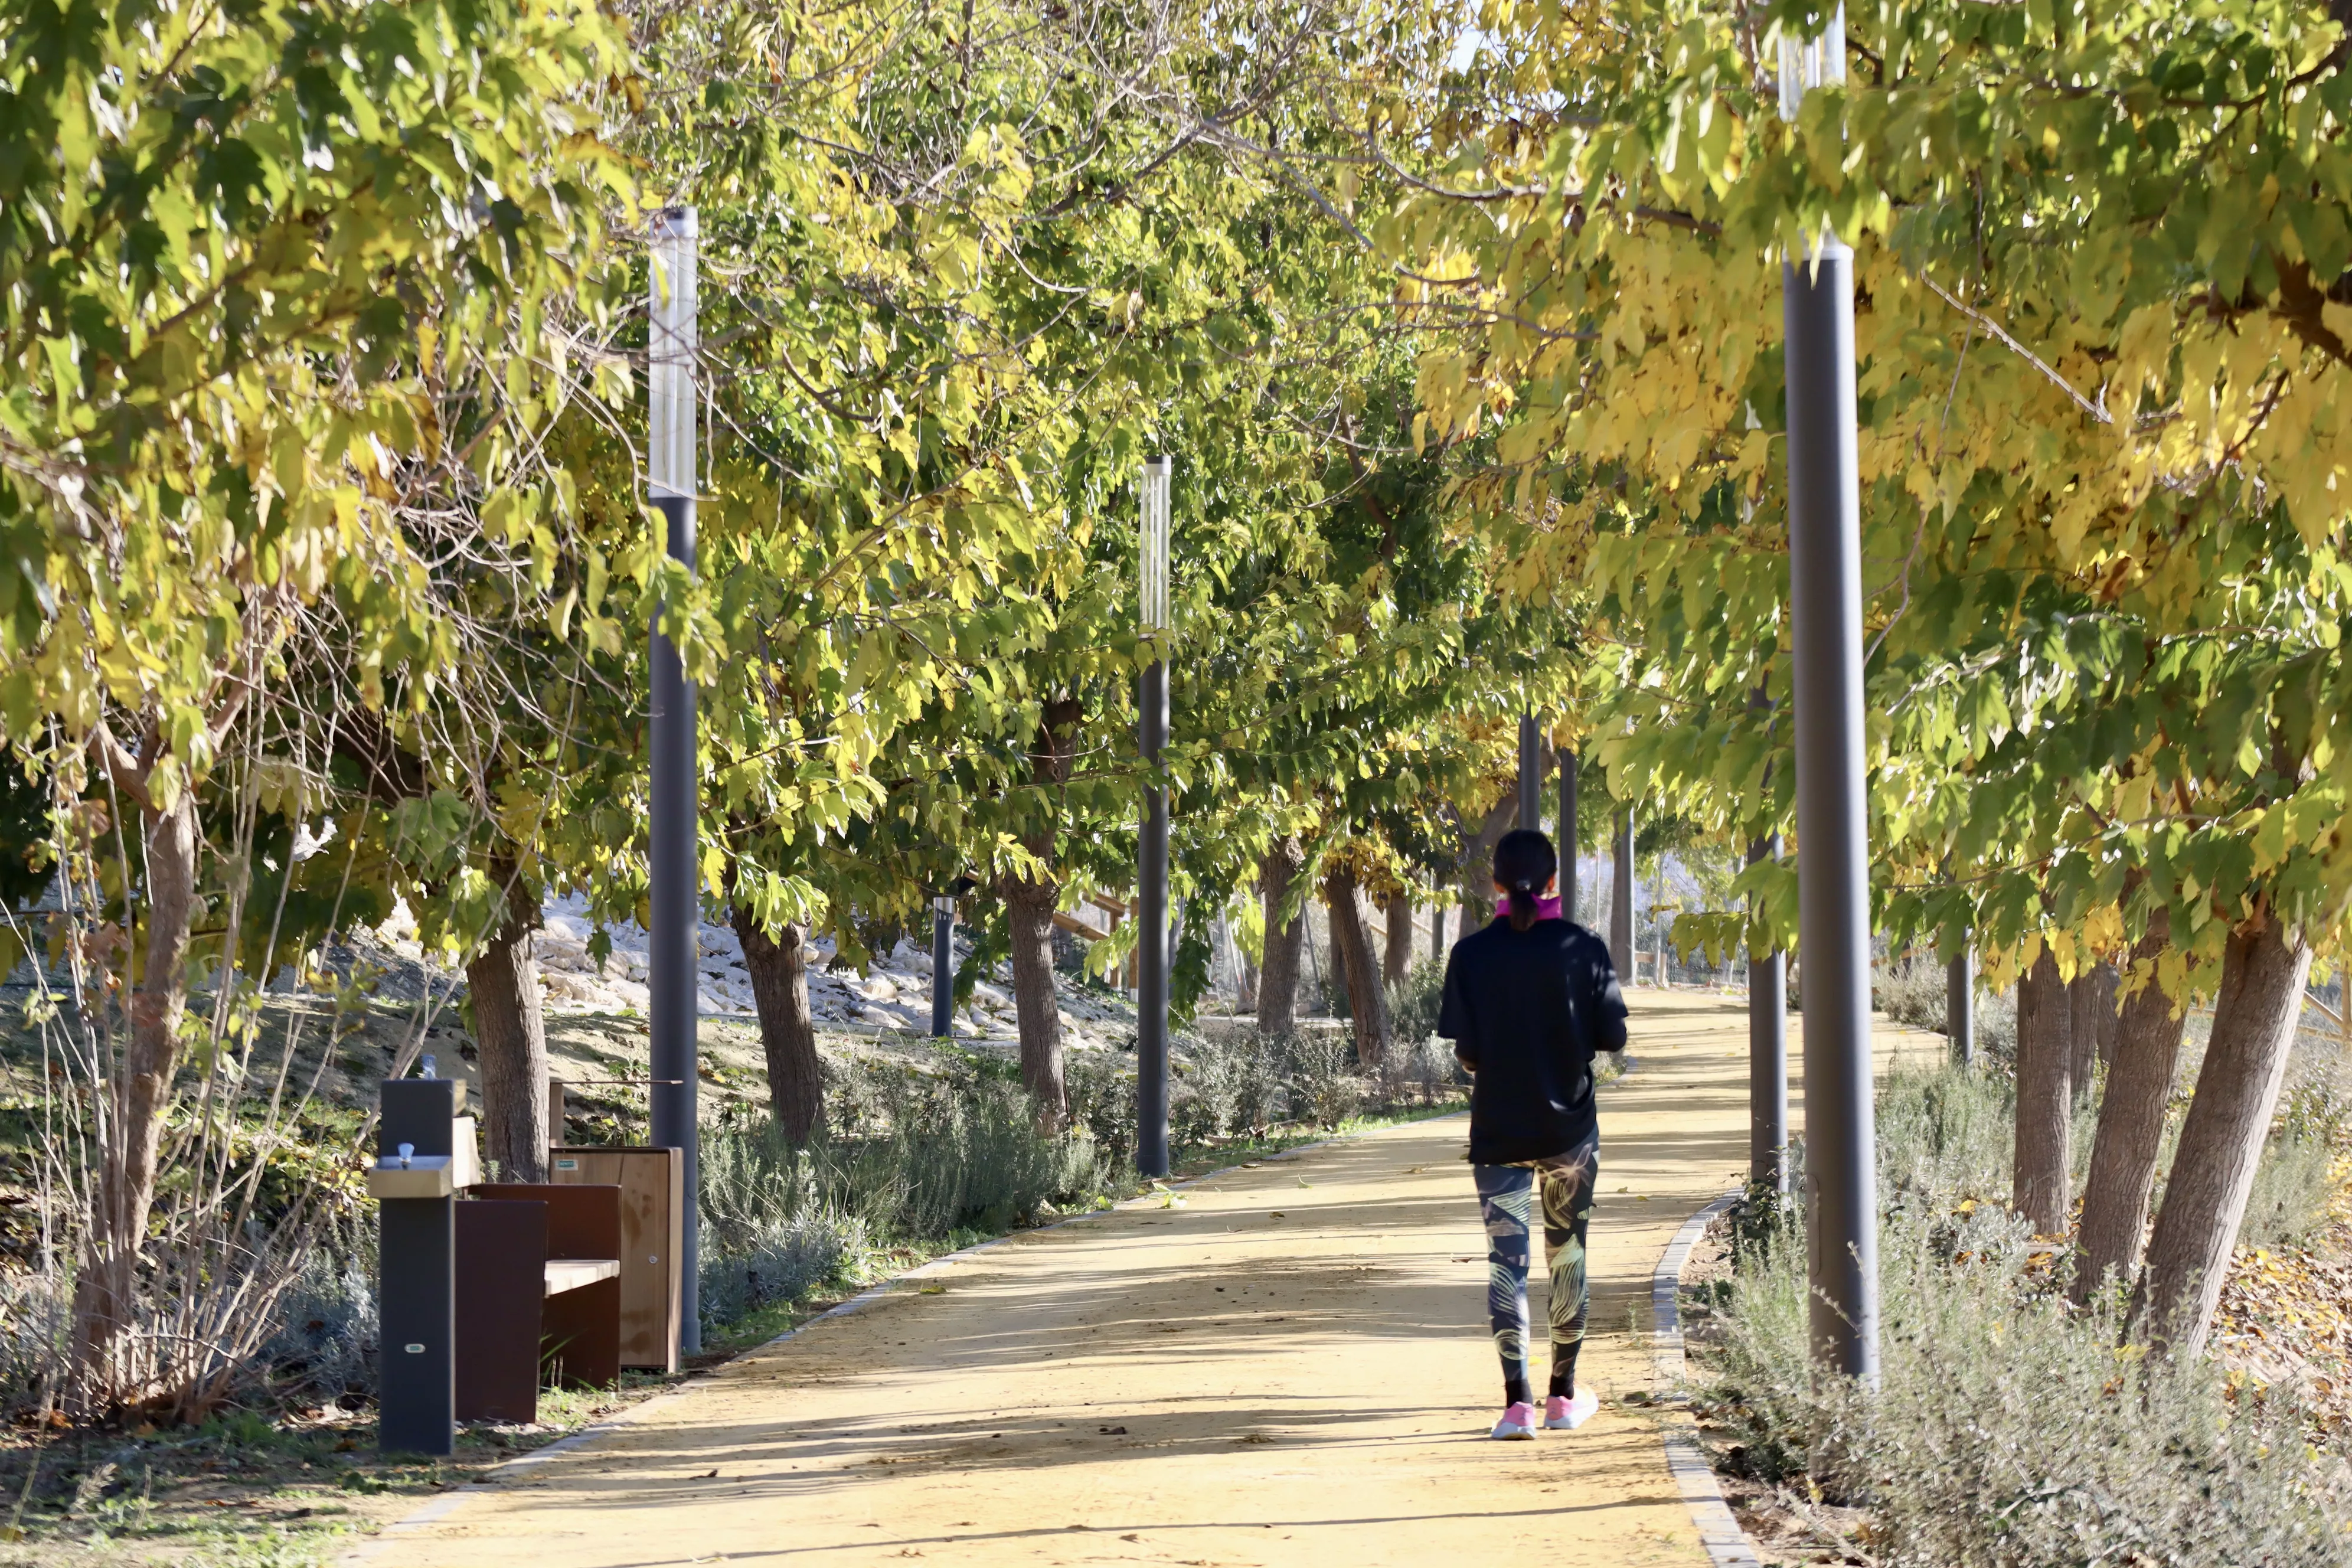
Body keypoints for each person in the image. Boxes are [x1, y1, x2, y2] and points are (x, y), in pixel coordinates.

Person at [1437, 827, 1627, 1440]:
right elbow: (1613, 1038)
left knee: (1507, 1266)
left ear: (1493, 883)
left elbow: (1467, 1049)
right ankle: (1563, 1399)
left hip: (1497, 1130)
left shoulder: (1470, 954)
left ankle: (1516, 1406)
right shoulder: (1584, 947)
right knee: (1567, 1257)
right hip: (1569, 1132)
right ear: (1554, 884)